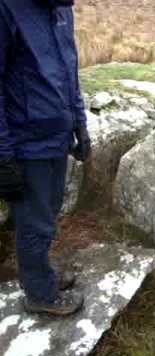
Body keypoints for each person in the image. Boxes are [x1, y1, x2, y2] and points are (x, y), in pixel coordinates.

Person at [0, 0, 91, 315]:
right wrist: (3, 156)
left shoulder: (61, 9)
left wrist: (80, 125)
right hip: (27, 144)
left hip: (57, 139)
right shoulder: (7, 8)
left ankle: (41, 275)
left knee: (48, 215)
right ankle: (40, 295)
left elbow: (70, 73)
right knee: (34, 223)